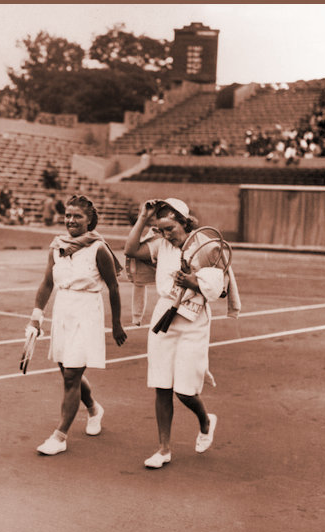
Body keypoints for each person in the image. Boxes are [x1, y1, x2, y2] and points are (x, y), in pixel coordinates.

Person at [124, 198, 232, 469]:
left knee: (184, 392)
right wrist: (143, 217)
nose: (165, 234)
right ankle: (163, 449)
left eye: (170, 228)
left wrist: (192, 281)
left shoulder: (205, 246)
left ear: (185, 222)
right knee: (162, 386)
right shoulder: (160, 245)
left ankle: (206, 421)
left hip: (194, 320)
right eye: (161, 229)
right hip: (164, 315)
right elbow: (130, 249)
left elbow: (222, 288)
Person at [28, 195, 127, 455]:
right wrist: (36, 315)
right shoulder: (56, 246)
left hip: (87, 312)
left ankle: (59, 437)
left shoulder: (99, 248)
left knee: (71, 376)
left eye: (78, 216)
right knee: (68, 372)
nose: (71, 220)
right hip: (63, 311)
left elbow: (114, 287)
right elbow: (47, 283)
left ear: (89, 220)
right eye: (68, 216)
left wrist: (116, 323)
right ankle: (94, 408)